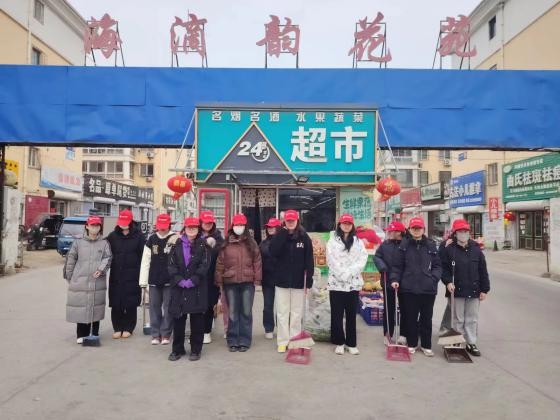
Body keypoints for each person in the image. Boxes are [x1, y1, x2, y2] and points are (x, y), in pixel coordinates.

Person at [390, 217, 442, 356]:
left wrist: (433, 279)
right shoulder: (404, 245)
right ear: (410, 230)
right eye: (414, 228)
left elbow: (437, 266)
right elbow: (397, 266)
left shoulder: (431, 245)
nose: (417, 230)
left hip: (428, 289)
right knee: (411, 318)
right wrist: (395, 279)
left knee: (426, 319)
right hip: (409, 288)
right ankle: (412, 343)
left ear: (423, 229)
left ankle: (426, 345)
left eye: (419, 228)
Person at [440, 219, 490, 357]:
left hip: (474, 290)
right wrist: (448, 282)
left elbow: (483, 270)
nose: (463, 234)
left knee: (472, 319)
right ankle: (457, 342)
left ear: (469, 233)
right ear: (455, 234)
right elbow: (444, 268)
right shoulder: (449, 249)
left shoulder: (476, 249)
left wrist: (484, 289)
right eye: (460, 231)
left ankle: (471, 342)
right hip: (456, 290)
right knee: (458, 319)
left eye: (466, 231)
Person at [214, 214, 262, 352]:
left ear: (245, 227)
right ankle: (233, 340)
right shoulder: (226, 244)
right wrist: (218, 279)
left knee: (246, 311)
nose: (239, 227)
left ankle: (245, 340)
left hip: (247, 281)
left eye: (241, 225)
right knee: (233, 312)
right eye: (236, 225)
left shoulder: (252, 243)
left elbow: (257, 262)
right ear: (232, 226)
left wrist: (257, 279)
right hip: (230, 282)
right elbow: (220, 263)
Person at [269, 210, 314, 353]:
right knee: (282, 312)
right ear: (284, 222)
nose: (290, 223)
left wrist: (309, 279)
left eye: (292, 221)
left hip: (299, 281)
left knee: (296, 313)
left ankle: (294, 340)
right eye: (288, 221)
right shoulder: (278, 235)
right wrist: (282, 234)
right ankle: (282, 341)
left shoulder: (304, 237)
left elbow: (309, 260)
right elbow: (273, 252)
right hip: (281, 280)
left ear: (297, 221)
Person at [64, 216, 112, 344]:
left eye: (97, 226)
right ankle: (81, 334)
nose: (95, 228)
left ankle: (94, 333)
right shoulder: (78, 242)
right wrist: (70, 277)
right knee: (82, 306)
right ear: (87, 226)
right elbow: (71, 259)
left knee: (96, 306)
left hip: (97, 280)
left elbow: (107, 258)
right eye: (92, 225)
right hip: (80, 280)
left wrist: (101, 269)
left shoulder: (104, 243)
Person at [167, 217, 209, 361]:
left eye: (194, 227)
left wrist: (193, 280)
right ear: (184, 229)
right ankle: (177, 349)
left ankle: (196, 350)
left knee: (197, 321)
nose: (191, 230)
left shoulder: (204, 245)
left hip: (197, 288)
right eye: (189, 227)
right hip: (179, 288)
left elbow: (205, 265)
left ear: (198, 229)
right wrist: (179, 280)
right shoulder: (176, 244)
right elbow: (171, 265)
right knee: (178, 320)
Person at [326, 214, 368, 355]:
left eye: (349, 223)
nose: (346, 225)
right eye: (344, 223)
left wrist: (350, 272)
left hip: (353, 284)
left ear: (352, 225)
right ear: (339, 225)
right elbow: (330, 260)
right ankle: (339, 342)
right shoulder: (332, 242)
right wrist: (342, 274)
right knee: (337, 315)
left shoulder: (358, 242)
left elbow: (362, 259)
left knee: (351, 315)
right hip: (336, 284)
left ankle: (351, 343)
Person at [139, 213, 178, 345]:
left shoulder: (175, 238)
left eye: (164, 226)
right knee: (154, 307)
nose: (162, 229)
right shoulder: (151, 239)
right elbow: (145, 261)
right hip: (154, 279)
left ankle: (166, 333)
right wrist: (143, 282)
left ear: (169, 225)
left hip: (170, 279)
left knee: (168, 308)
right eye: (160, 226)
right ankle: (155, 334)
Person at [107, 210, 145, 339]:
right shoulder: (112, 236)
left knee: (130, 301)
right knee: (116, 301)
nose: (123, 224)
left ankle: (129, 327)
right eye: (121, 222)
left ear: (131, 221)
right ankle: (117, 327)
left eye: (126, 222)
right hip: (116, 274)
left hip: (133, 274)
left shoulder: (139, 236)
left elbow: (143, 256)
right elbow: (105, 253)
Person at [374, 220, 407, 346]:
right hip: (387, 280)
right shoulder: (385, 245)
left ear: (399, 232)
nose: (389, 233)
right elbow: (377, 257)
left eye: (392, 231)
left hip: (404, 282)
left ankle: (403, 334)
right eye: (389, 231)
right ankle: (387, 333)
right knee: (389, 309)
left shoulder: (406, 244)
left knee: (405, 308)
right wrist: (382, 266)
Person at [199, 210, 225, 344]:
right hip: (197, 276)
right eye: (205, 222)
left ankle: (206, 332)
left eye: (210, 222)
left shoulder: (218, 237)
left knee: (209, 304)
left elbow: (222, 254)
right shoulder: (195, 235)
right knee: (197, 305)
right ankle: (197, 331)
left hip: (212, 275)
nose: (207, 224)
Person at [260, 217, 281, 339]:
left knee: (282, 307)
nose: (270, 229)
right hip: (267, 279)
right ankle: (268, 328)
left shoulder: (283, 242)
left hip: (281, 279)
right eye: (268, 227)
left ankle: (282, 328)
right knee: (268, 305)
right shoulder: (263, 243)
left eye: (273, 227)